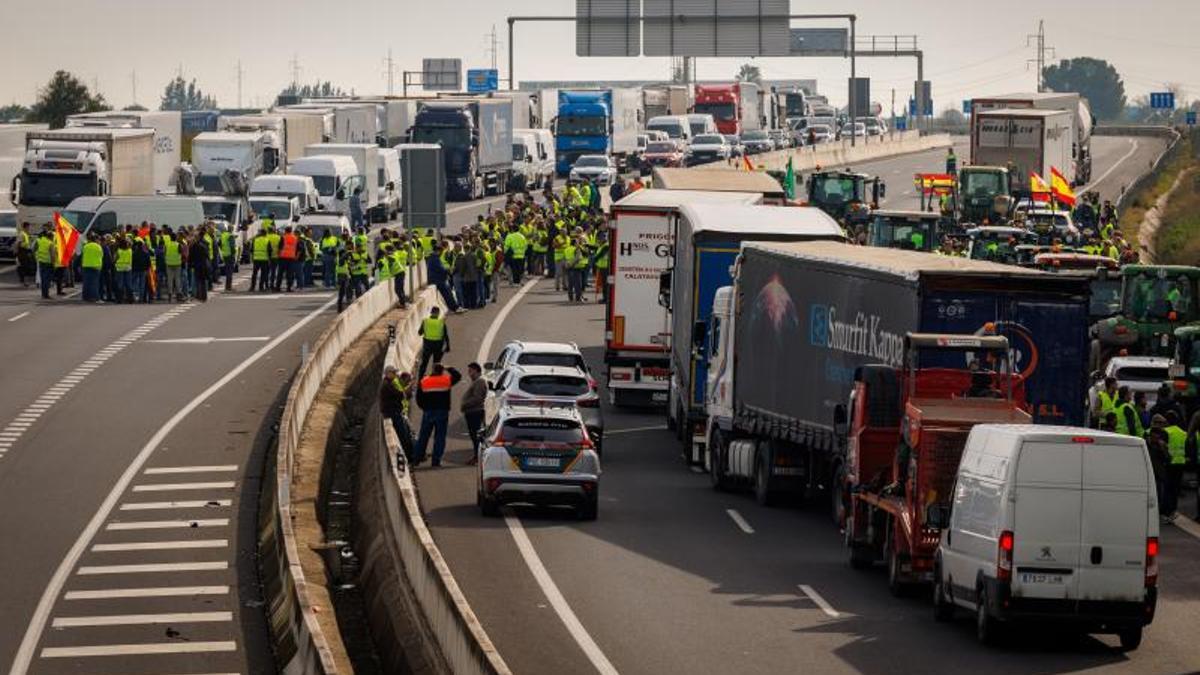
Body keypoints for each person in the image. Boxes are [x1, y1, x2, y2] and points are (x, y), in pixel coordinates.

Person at [413, 362, 462, 467]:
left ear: (433, 370)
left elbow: (419, 398)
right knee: (439, 437)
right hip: (442, 411)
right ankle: (436, 461)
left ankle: (417, 458)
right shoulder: (446, 380)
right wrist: (449, 368)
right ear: (442, 370)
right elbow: (458, 376)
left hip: (428, 411)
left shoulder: (424, 381)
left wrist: (424, 408)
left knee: (423, 436)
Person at [381, 366, 416, 464]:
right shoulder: (387, 385)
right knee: (403, 435)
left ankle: (410, 455)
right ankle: (409, 457)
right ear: (388, 373)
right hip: (393, 413)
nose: (395, 375)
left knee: (405, 434)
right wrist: (407, 390)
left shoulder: (389, 384)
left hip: (394, 412)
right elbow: (400, 395)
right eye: (393, 373)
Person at [460, 362, 488, 464]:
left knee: (476, 436)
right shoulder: (476, 382)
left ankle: (478, 457)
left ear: (476, 370)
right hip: (472, 412)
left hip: (475, 412)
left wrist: (465, 405)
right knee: (474, 436)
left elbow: (477, 398)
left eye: (470, 371)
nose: (469, 374)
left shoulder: (480, 381)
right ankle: (477, 456)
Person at [1162, 411, 1187, 520]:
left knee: (1168, 487)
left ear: (1167, 421)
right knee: (1176, 488)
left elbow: (1163, 446)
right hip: (1180, 462)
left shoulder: (1166, 431)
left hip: (1169, 462)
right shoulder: (1183, 433)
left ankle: (1167, 511)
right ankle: (1173, 510)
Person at [418, 306, 449, 378]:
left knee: (424, 363)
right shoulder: (441, 322)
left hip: (427, 346)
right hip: (438, 346)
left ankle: (420, 378)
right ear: (438, 313)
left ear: (431, 312)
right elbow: (445, 335)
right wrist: (448, 346)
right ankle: (434, 378)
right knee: (436, 364)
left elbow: (420, 333)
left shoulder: (425, 321)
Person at [80, 233, 103, 302]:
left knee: (86, 282)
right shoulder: (98, 246)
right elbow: (101, 255)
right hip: (96, 266)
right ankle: (95, 297)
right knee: (94, 283)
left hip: (86, 265)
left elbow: (82, 255)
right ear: (95, 240)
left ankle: (85, 297)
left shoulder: (85, 246)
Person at [189, 229, 210, 302]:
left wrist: (190, 264)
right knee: (202, 281)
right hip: (203, 265)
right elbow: (207, 255)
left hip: (197, 265)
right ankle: (203, 296)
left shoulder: (194, 246)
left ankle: (199, 296)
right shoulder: (204, 245)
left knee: (198, 281)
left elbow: (191, 257)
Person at [16, 223, 34, 288]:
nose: (29, 228)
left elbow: (26, 243)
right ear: (25, 227)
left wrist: (30, 238)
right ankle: (23, 281)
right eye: (28, 227)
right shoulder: (22, 234)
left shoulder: (26, 234)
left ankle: (24, 281)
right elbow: (18, 243)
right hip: (22, 252)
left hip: (26, 251)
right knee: (23, 267)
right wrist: (18, 253)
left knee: (27, 267)